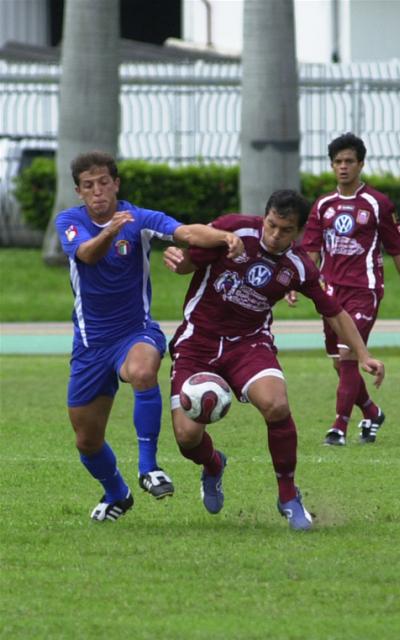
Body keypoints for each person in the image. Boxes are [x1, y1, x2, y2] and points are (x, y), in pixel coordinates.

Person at [163, 189, 385, 531]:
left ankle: (287, 496)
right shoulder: (235, 230)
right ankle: (213, 464)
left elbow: (335, 313)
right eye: (271, 225)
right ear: (263, 217)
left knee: (277, 405)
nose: (275, 234)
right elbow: (192, 252)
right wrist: (182, 263)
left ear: (297, 232)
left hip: (249, 344)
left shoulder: (298, 265)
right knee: (187, 437)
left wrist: (364, 354)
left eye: (285, 230)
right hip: (198, 341)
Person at [55, 150, 244, 522]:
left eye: (104, 183)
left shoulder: (138, 217)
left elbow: (186, 232)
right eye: (89, 186)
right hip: (90, 345)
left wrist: (223, 236)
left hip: (135, 331)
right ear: (79, 191)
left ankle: (149, 467)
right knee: (87, 441)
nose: (98, 192)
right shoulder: (69, 221)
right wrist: (110, 229)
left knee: (143, 371)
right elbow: (87, 256)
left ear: (116, 184)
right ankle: (118, 494)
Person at [300, 132, 400, 446]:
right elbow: (310, 249)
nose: (343, 167)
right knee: (341, 363)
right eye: (337, 161)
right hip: (328, 292)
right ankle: (371, 410)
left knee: (349, 353)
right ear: (331, 165)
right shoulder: (323, 205)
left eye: (349, 161)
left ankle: (338, 426)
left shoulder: (378, 204)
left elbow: (398, 250)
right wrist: (298, 282)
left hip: (364, 289)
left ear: (361, 164)